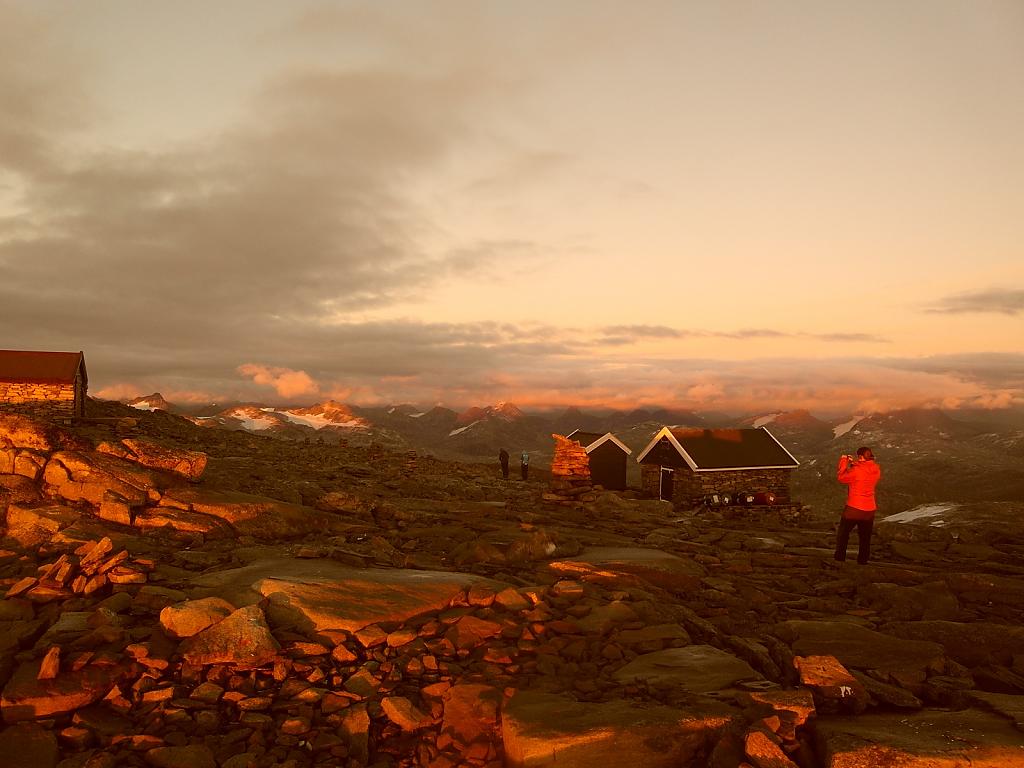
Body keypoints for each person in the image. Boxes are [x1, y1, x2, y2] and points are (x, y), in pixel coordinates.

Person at [834, 446, 882, 565]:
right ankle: (862, 562)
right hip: (870, 509)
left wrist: (844, 461)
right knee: (865, 537)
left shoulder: (856, 471)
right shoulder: (876, 469)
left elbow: (841, 477)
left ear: (860, 457)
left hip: (854, 508)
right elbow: (865, 470)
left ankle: (839, 560)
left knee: (843, 534)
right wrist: (855, 463)